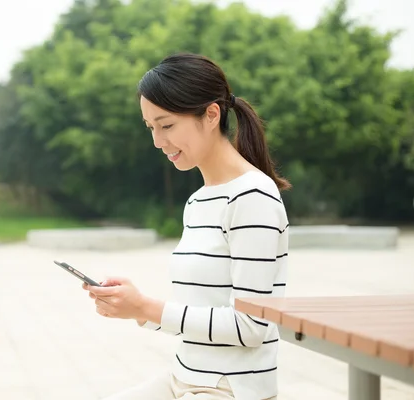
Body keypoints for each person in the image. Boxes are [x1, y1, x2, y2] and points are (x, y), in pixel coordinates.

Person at [83, 53, 290, 400]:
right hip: (183, 377)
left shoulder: (253, 196)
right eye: (151, 128)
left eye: (166, 125)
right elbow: (197, 311)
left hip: (231, 388)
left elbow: (251, 326)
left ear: (211, 115)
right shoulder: (198, 202)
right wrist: (134, 308)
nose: (157, 142)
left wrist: (146, 307)